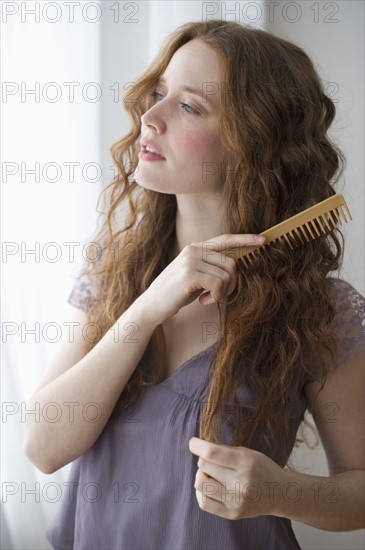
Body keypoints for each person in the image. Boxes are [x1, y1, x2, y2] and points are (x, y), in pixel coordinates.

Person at [24, 19, 364, 550]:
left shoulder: (324, 311)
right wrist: (145, 309)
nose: (149, 117)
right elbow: (43, 447)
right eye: (159, 94)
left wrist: (282, 493)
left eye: (188, 107)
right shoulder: (112, 269)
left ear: (253, 142)